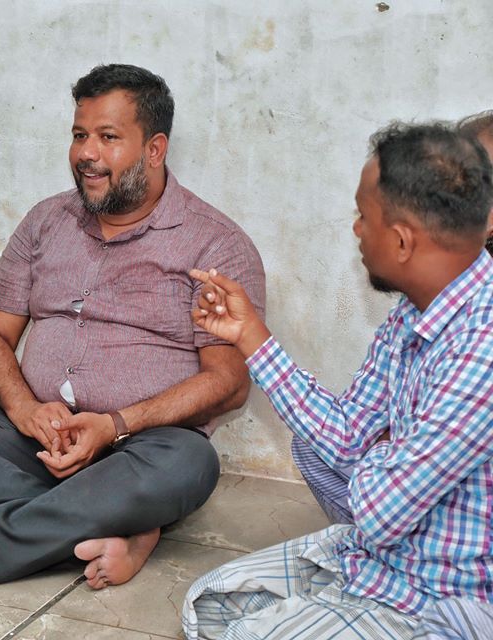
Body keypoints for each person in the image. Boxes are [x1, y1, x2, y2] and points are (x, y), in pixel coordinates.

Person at [0, 64, 265, 588]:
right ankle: (120, 524)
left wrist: (114, 425)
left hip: (142, 445)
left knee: (190, 464)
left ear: (155, 149)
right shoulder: (46, 221)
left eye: (108, 137)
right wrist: (25, 409)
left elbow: (229, 384)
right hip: (40, 439)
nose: (86, 153)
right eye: (79, 135)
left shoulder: (215, 244)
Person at [183, 122, 493, 638]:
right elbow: (346, 435)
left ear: (401, 241)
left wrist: (382, 450)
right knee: (207, 604)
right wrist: (250, 336)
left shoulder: (482, 346)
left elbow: (382, 511)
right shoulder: (412, 312)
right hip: (383, 557)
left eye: (363, 216)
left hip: (441, 598)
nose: (356, 230)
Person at [291, 109, 493, 526]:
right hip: (408, 487)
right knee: (315, 443)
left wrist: (393, 448)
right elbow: (351, 429)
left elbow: (392, 491)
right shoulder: (424, 295)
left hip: (456, 525)